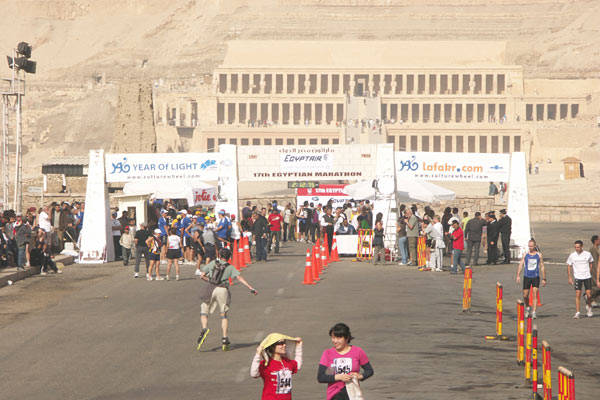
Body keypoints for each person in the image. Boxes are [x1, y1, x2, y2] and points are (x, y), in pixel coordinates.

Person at [197, 248, 258, 351]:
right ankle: (224, 338)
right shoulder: (230, 267)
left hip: (210, 288)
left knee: (204, 311)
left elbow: (202, 275)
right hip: (222, 289)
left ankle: (204, 328)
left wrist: (210, 280)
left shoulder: (213, 263)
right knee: (223, 314)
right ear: (229, 257)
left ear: (219, 255)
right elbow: (239, 278)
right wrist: (251, 288)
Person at [317, 323, 374, 400]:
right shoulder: (328, 353)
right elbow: (321, 377)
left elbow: (369, 370)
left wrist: (360, 376)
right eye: (333, 338)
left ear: (347, 338)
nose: (335, 341)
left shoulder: (358, 352)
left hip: (353, 393)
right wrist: (339, 377)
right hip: (335, 394)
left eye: (339, 338)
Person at [250, 334, 303, 399]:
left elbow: (297, 366)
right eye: (280, 343)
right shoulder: (266, 364)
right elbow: (253, 374)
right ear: (272, 347)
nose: (284, 345)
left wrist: (298, 346)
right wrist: (258, 354)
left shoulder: (287, 362)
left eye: (284, 343)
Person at [516, 239, 546, 319]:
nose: (530, 247)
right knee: (525, 295)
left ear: (535, 246)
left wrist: (544, 278)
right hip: (527, 276)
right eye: (529, 246)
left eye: (531, 246)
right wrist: (518, 275)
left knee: (535, 293)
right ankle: (528, 307)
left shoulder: (539, 255)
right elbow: (521, 264)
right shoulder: (525, 254)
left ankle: (534, 312)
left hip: (535, 276)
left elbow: (542, 266)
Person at [566, 240, 595, 319]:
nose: (576, 249)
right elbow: (569, 265)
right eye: (575, 247)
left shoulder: (587, 254)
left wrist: (589, 271)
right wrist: (569, 277)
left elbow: (591, 262)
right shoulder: (572, 255)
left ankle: (589, 308)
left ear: (582, 246)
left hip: (587, 276)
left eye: (578, 247)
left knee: (589, 295)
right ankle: (578, 312)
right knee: (577, 294)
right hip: (578, 277)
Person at [589, 235, 600, 307]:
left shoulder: (597, 248)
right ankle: (589, 297)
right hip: (594, 270)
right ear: (595, 241)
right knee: (596, 286)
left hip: (598, 269)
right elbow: (594, 261)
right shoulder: (593, 249)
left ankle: (595, 300)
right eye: (599, 239)